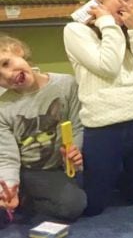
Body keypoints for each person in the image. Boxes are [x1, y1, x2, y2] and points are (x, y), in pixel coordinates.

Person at [63, 0, 133, 216]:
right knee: (93, 206)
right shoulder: (75, 30)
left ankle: (120, 173)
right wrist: (107, 23)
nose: (128, 6)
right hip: (104, 123)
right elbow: (108, 66)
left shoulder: (129, 28)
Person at [0, 35, 86, 224]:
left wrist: (76, 152)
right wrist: (10, 187)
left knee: (91, 197)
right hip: (30, 170)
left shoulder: (66, 84)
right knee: (73, 204)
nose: (7, 75)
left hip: (61, 166)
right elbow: (7, 156)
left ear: (17, 50)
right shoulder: (3, 108)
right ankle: (24, 197)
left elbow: (78, 125)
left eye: (6, 63)